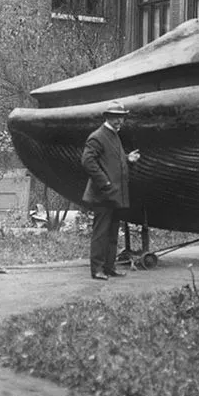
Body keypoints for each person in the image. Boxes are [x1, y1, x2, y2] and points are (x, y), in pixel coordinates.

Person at [81, 101, 140, 280]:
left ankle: (109, 267)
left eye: (121, 118)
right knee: (101, 233)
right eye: (115, 118)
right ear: (107, 117)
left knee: (113, 232)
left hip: (114, 195)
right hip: (103, 195)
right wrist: (105, 183)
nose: (119, 121)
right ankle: (97, 269)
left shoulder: (113, 135)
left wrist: (127, 159)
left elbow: (111, 159)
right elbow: (87, 161)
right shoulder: (98, 136)